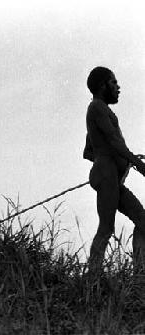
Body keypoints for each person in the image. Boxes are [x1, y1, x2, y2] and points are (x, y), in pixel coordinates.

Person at [83, 66, 145, 273]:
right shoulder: (97, 108)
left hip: (111, 177)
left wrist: (123, 160)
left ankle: (140, 272)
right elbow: (113, 141)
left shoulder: (100, 110)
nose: (118, 87)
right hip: (107, 175)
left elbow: (89, 151)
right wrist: (136, 162)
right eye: (114, 83)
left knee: (142, 220)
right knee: (106, 228)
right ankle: (92, 278)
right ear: (103, 86)